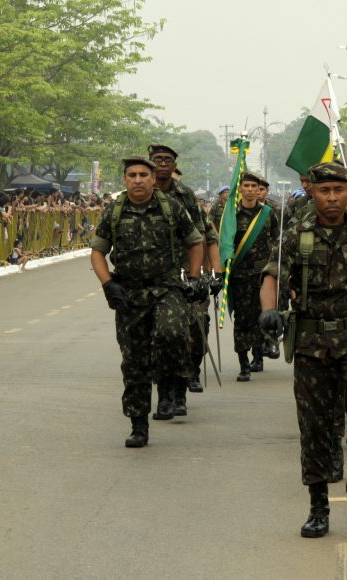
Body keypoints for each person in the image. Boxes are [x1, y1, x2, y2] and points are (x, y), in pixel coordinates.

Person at [258, 162, 347, 538]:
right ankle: (318, 507)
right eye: (325, 191)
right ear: (314, 193)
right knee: (315, 424)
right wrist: (269, 309)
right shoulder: (297, 234)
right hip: (310, 340)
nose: (333, 198)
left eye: (340, 191)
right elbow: (272, 275)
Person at [90, 156, 205, 448]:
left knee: (172, 332)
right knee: (134, 364)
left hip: (166, 288)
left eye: (144, 174)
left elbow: (195, 242)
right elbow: (97, 253)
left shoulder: (171, 208)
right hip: (129, 296)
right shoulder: (113, 212)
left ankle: (175, 380)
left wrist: (193, 279)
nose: (138, 179)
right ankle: (138, 424)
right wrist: (108, 285)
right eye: (132, 175)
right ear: (125, 180)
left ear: (153, 179)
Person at [148, 144, 223, 412]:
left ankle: (182, 387)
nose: (163, 164)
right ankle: (165, 394)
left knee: (192, 330)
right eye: (157, 160)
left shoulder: (185, 196)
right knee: (160, 337)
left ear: (174, 164)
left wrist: (215, 272)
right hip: (153, 280)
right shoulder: (141, 195)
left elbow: (205, 235)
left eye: (168, 160)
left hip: (186, 276)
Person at [230, 171, 280, 381]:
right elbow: (224, 243)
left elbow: (277, 239)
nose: (250, 190)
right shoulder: (231, 214)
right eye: (247, 186)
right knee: (242, 320)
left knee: (262, 316)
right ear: (240, 188)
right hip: (240, 275)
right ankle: (243, 364)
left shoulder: (268, 213)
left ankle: (258, 357)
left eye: (254, 187)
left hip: (261, 276)